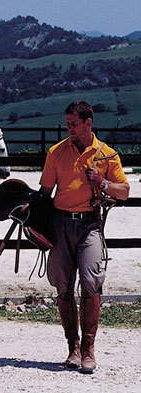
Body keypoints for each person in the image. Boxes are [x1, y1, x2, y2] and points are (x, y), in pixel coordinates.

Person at [39, 100, 130, 374]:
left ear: (88, 123)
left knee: (91, 284)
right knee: (63, 287)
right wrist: (35, 222)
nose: (70, 129)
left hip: (90, 224)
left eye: (74, 125)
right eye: (67, 125)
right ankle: (73, 348)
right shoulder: (56, 153)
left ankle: (89, 348)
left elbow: (124, 191)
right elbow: (44, 192)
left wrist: (101, 183)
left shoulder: (106, 155)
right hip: (61, 223)